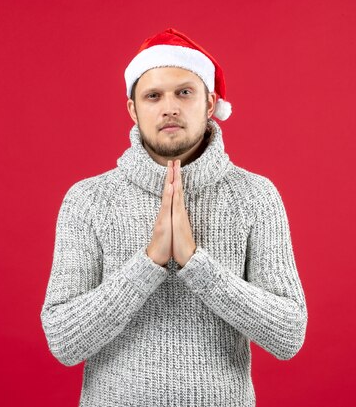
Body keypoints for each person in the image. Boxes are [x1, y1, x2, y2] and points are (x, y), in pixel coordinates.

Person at [40, 28, 308, 407]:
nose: (170, 107)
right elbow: (64, 341)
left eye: (184, 92)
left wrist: (195, 263)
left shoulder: (255, 197)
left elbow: (289, 335)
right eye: (153, 95)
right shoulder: (88, 200)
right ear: (133, 108)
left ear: (211, 102)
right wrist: (149, 263)